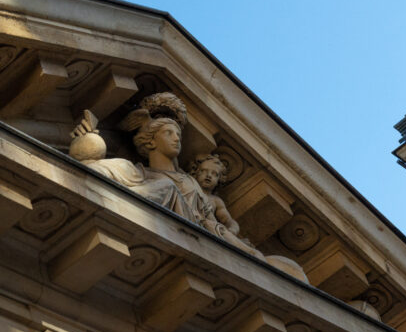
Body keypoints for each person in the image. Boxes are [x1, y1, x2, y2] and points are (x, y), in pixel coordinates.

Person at [70, 93, 262, 258]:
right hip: (145, 231)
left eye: (178, 133)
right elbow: (88, 170)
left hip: (198, 239)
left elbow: (211, 221)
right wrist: (86, 140)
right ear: (151, 141)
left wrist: (245, 248)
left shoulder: (189, 181)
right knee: (166, 186)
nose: (177, 138)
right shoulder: (137, 172)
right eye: (169, 133)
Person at [189, 154, 242, 237]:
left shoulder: (215, 200)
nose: (209, 175)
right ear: (195, 172)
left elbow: (228, 220)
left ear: (219, 180)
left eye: (214, 174)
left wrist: (232, 229)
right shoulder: (188, 186)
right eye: (204, 171)